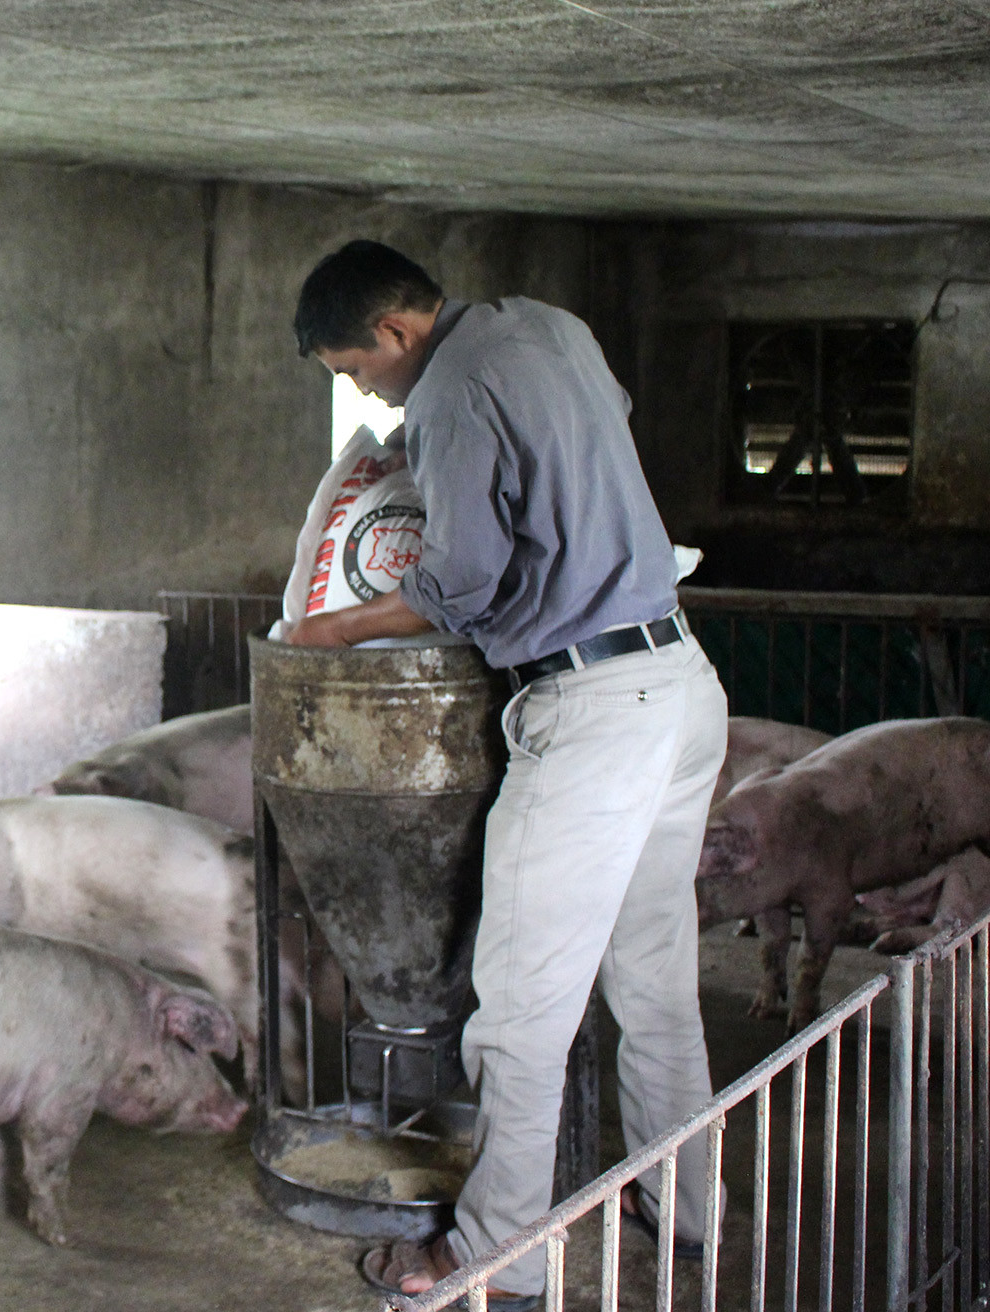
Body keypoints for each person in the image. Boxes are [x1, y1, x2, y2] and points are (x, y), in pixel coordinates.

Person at [287, 240, 726, 1308]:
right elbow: (587, 439)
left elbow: (460, 584)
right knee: (653, 983)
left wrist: (334, 627)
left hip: (589, 711)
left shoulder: (440, 397)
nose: (363, 391)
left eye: (354, 369)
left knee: (519, 1015)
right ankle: (687, 1209)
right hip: (675, 675)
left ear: (394, 334)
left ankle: (494, 1256)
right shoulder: (550, 326)